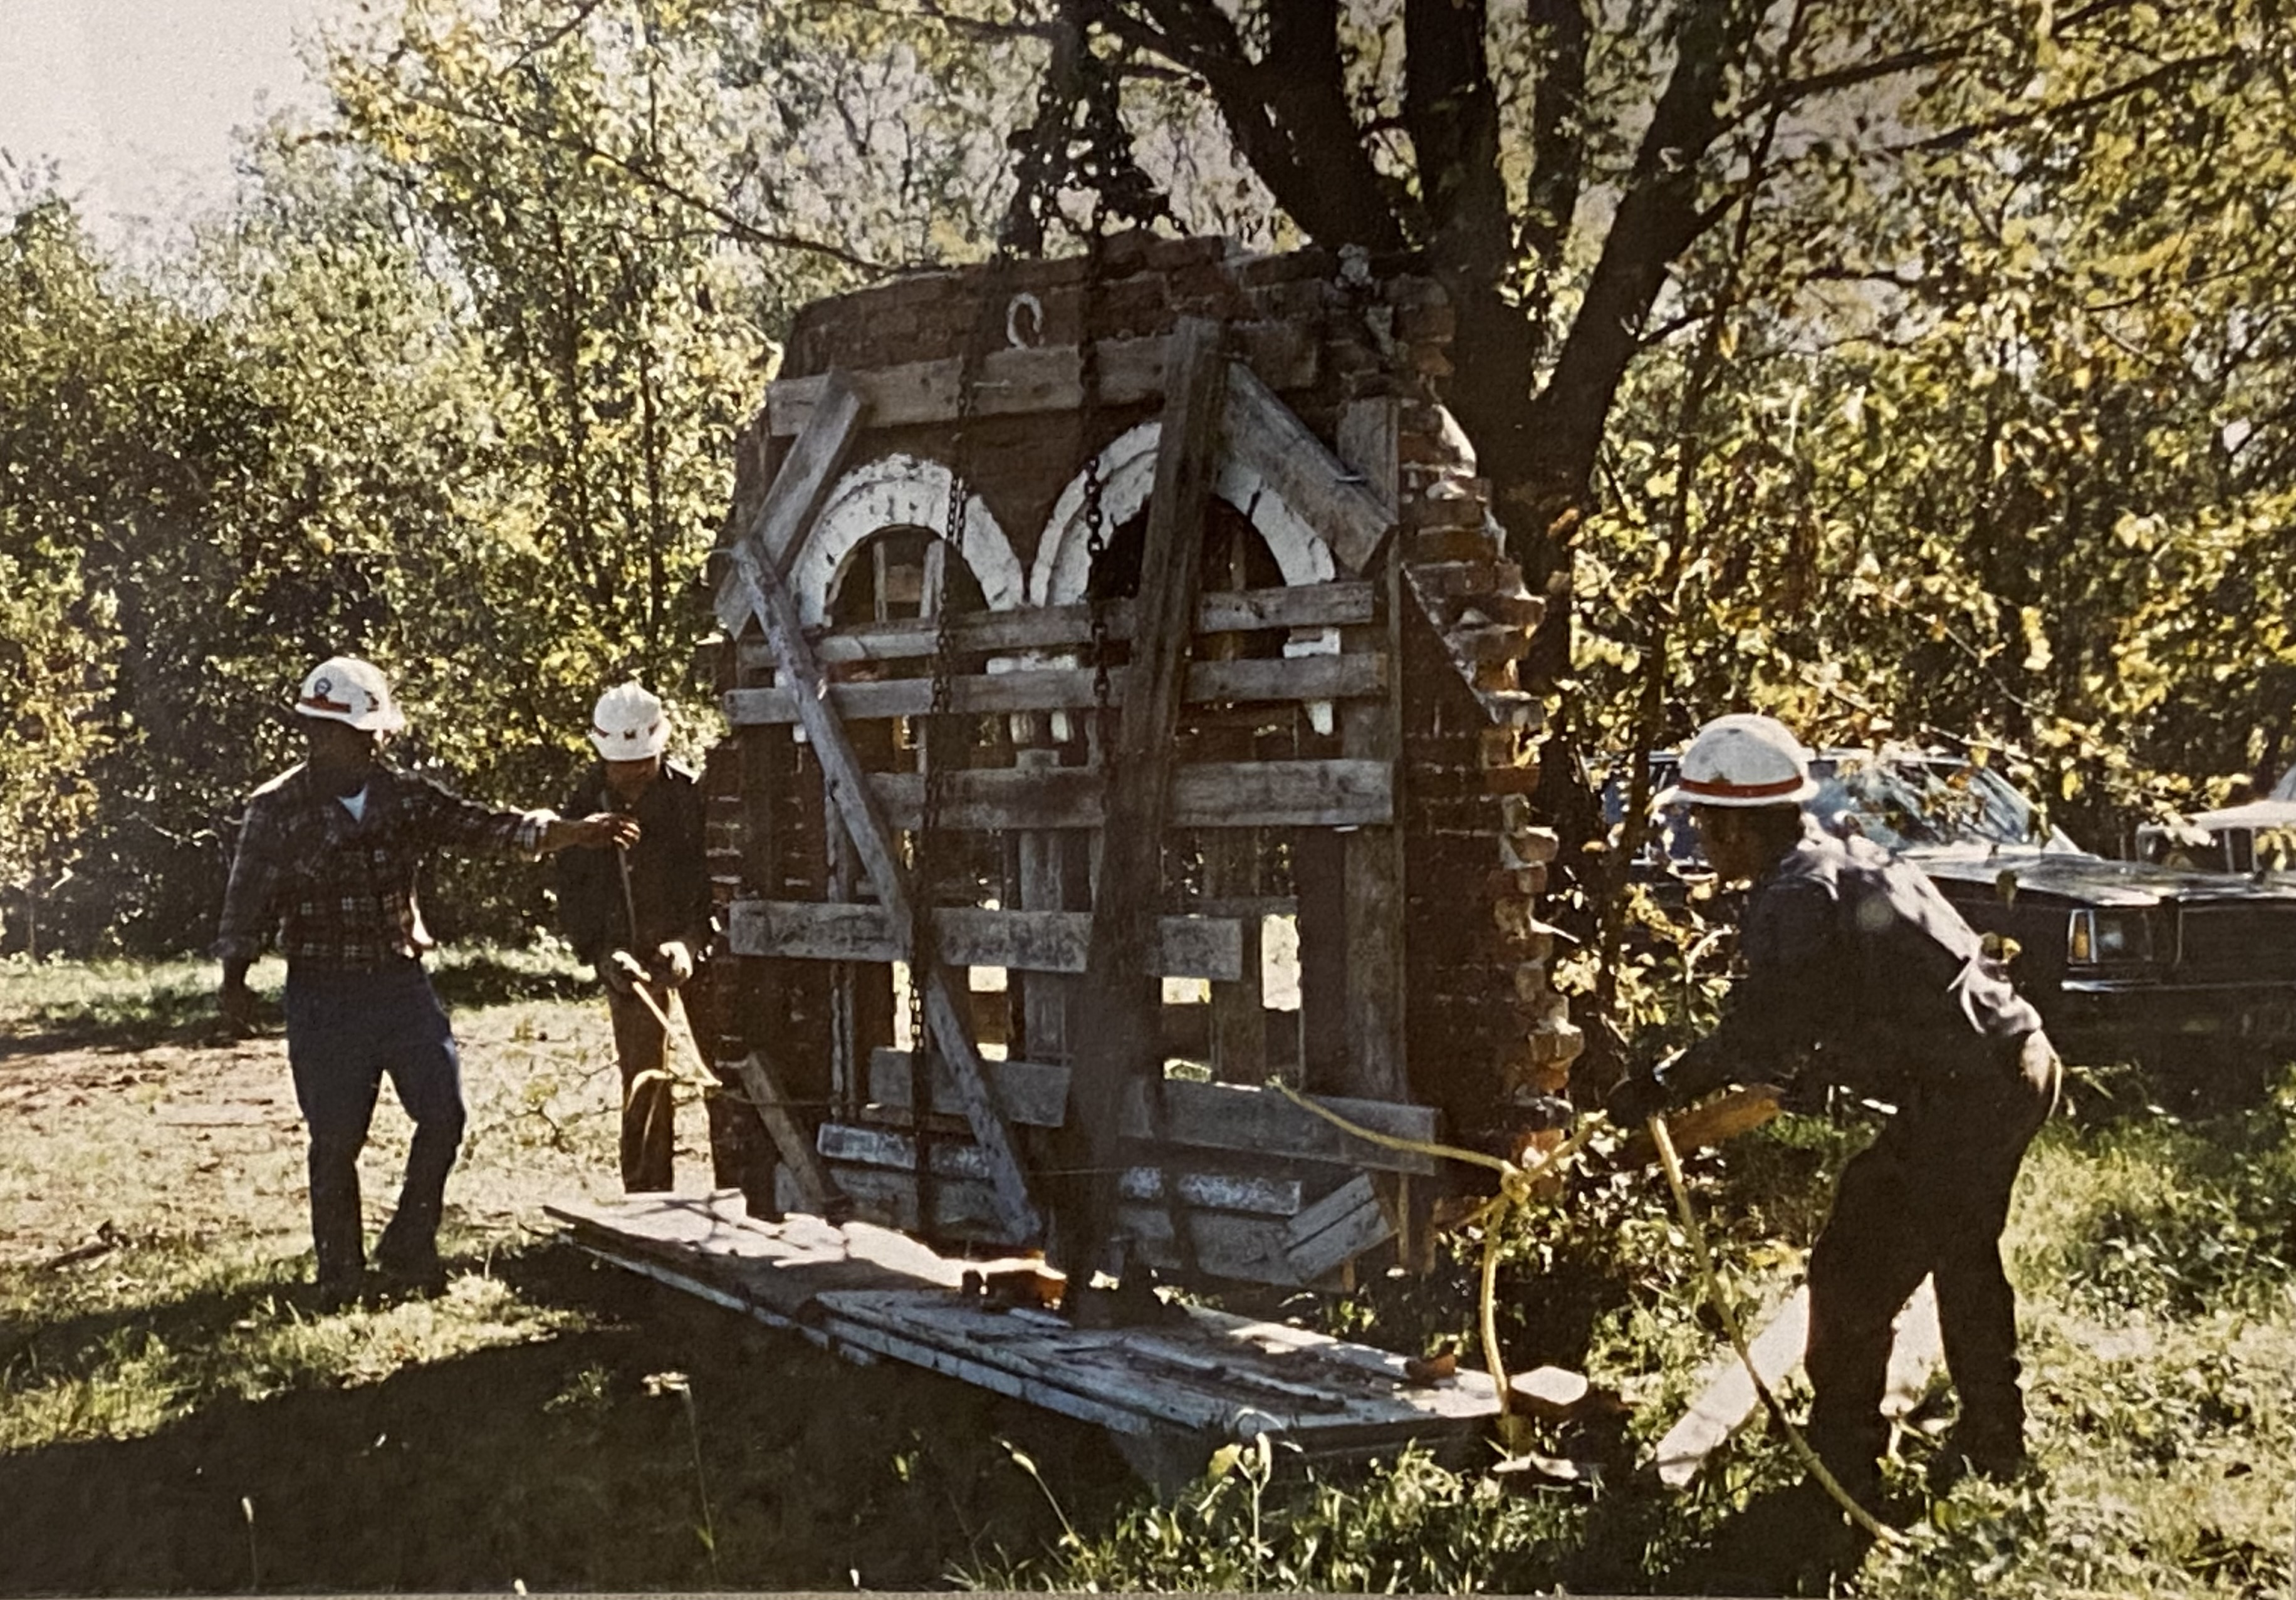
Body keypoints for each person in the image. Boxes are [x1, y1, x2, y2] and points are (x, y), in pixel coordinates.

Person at [1607, 714, 2062, 1507]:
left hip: (1970, 1090)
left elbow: (1762, 1036)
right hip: (2018, 1060)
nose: (1698, 838)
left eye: (1702, 820)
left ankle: (1844, 1469)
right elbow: (1850, 997)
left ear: (1738, 825)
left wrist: (1662, 1082)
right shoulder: (1840, 852)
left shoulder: (1795, 891)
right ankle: (1995, 1439)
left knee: (1853, 1268)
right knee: (1961, 1247)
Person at [216, 656, 638, 1304]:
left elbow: (488, 826)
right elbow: (247, 899)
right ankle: (340, 1273)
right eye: (316, 731)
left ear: (371, 736)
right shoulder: (275, 808)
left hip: (398, 983)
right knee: (335, 1139)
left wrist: (572, 833)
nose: (327, 743)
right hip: (323, 993)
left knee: (443, 1114)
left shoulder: (405, 798)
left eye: (345, 733)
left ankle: (410, 1243)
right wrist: (235, 978)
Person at [555, 683, 752, 1197]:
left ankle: (736, 1194)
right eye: (623, 764)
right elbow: (573, 892)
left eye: (643, 760)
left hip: (692, 955)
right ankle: (647, 1200)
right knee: (644, 1083)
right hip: (627, 962)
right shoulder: (582, 805)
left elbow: (715, 881)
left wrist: (690, 942)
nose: (634, 773)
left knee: (718, 1074)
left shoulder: (690, 797)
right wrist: (603, 953)